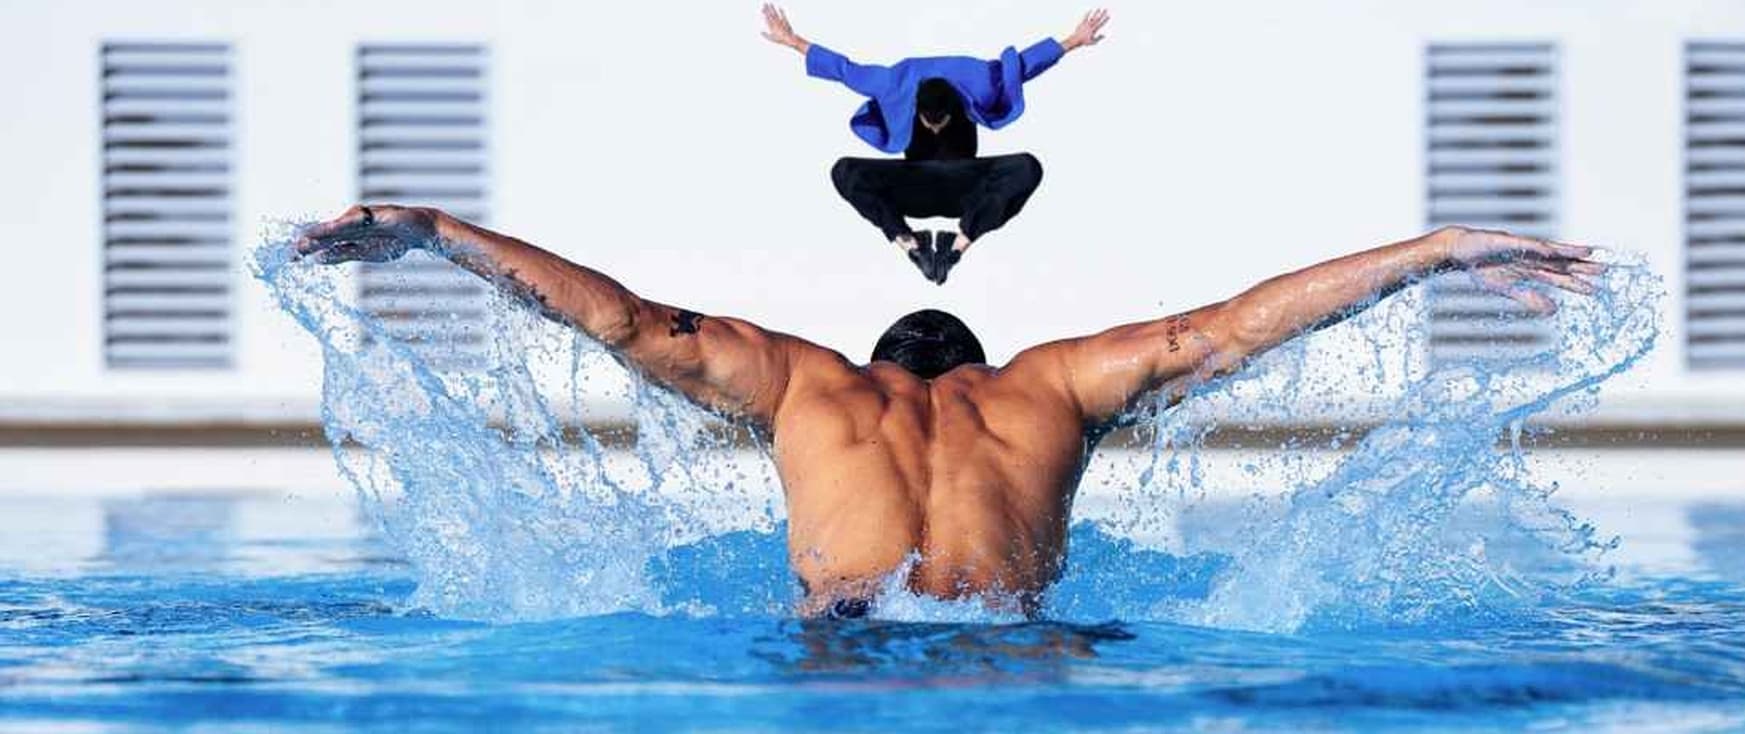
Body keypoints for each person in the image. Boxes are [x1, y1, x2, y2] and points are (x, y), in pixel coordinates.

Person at [297, 205, 1604, 619]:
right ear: (971, 372)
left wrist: (431, 231)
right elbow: (1229, 328)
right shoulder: (1051, 387)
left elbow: (629, 323)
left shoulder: (806, 381)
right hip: (1003, 641)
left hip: (847, 637)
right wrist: (1436, 249)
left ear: (885, 371)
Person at [761, 5, 1111, 284]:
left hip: (968, 185)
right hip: (913, 182)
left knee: (1027, 167)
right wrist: (793, 40)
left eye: (941, 120)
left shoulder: (979, 80)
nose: (935, 126)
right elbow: (844, 69)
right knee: (845, 171)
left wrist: (1073, 40)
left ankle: (955, 247)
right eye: (929, 120)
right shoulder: (892, 83)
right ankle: (911, 244)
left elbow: (1021, 66)